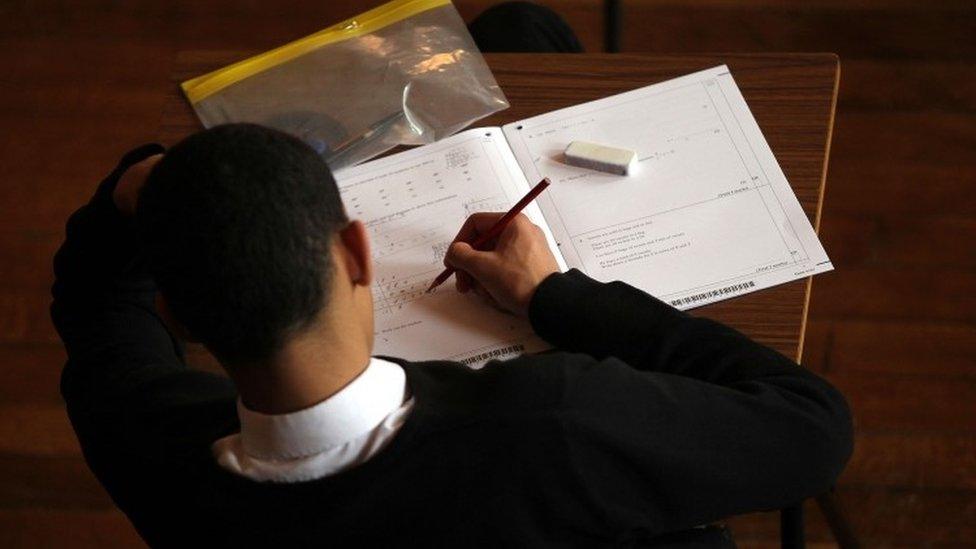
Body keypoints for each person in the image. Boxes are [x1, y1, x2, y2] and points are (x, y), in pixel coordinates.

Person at [53, 122, 851, 547]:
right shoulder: (549, 427)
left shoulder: (142, 435)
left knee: (521, 24)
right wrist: (556, 297)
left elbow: (95, 307)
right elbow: (813, 426)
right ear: (358, 251)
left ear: (182, 321)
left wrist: (131, 187)